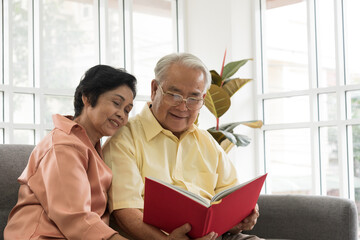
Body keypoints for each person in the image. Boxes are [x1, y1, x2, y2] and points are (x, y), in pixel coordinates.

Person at [102, 53, 263, 240]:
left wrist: (241, 218)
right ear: (155, 89)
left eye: (194, 98)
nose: (183, 107)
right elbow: (124, 212)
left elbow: (232, 198)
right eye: (175, 95)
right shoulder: (124, 139)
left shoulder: (206, 141)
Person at [4, 65, 137, 240]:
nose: (122, 114)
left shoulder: (91, 147)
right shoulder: (63, 147)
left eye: (127, 110)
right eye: (116, 103)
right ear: (88, 98)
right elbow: (77, 219)